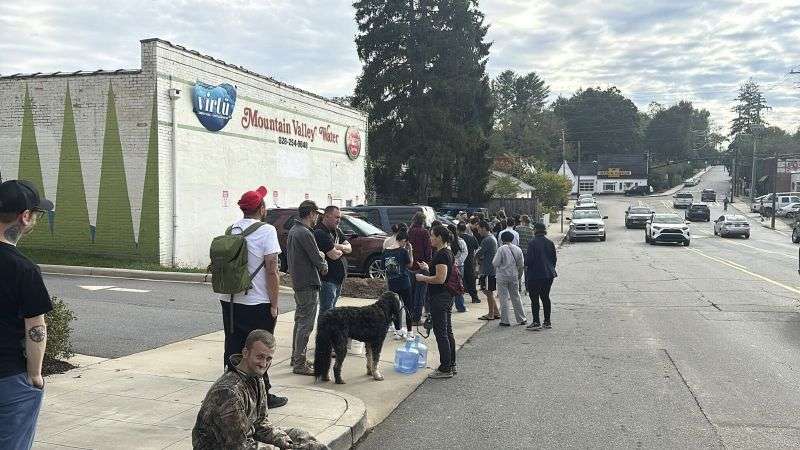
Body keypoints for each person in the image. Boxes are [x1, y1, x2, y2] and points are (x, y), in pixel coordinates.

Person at [192, 330, 328, 450]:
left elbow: (261, 423)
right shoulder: (228, 392)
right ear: (245, 353)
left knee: (302, 437)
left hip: (246, 439)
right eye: (259, 357)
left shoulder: (257, 377)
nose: (264, 364)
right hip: (224, 446)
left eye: (268, 358)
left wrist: (283, 441)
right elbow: (239, 445)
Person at [219, 186, 287, 408]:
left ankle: (229, 394)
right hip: (257, 302)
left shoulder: (232, 229)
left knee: (234, 347)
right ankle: (262, 396)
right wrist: (275, 304)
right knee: (261, 351)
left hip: (230, 299)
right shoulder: (267, 231)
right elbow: (271, 270)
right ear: (262, 208)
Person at [0, 180, 54, 450]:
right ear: (24, 217)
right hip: (8, 380)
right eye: (36, 213)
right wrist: (35, 375)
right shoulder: (24, 269)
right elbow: (36, 328)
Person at [287, 200, 328, 375]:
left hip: (299, 282)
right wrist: (323, 259)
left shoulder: (294, 231)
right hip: (307, 283)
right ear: (311, 213)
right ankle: (299, 363)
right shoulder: (304, 232)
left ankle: (296, 357)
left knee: (300, 321)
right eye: (316, 214)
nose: (317, 217)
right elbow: (317, 259)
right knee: (306, 324)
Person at [415, 225, 456, 379]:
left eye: (432, 235)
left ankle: (445, 368)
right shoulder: (444, 253)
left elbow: (440, 279)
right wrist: (427, 268)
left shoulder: (442, 254)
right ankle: (451, 364)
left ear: (439, 237)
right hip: (445, 296)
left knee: (442, 333)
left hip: (440, 297)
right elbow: (438, 273)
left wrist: (423, 278)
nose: (430, 238)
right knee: (447, 331)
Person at [314, 206, 351, 322]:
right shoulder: (320, 232)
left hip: (338, 279)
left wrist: (337, 246)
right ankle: (323, 337)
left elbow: (349, 248)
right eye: (336, 217)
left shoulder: (336, 231)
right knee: (326, 311)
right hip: (327, 280)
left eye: (339, 217)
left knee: (332, 312)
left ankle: (329, 336)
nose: (339, 220)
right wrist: (340, 249)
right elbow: (333, 255)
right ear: (327, 216)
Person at [382, 228, 414, 339]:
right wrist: (410, 251)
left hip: (392, 283)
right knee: (408, 307)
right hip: (404, 282)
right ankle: (410, 332)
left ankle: (397, 331)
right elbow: (410, 264)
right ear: (404, 240)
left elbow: (383, 267)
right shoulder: (403, 251)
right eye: (406, 242)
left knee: (394, 308)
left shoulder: (385, 251)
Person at [525, 222, 558, 331]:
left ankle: (536, 321)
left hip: (535, 274)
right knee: (545, 297)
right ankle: (547, 321)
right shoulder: (550, 242)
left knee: (534, 299)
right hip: (548, 274)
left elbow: (529, 260)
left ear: (535, 230)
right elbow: (554, 259)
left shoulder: (532, 243)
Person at [492, 231, 527, 327]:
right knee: (516, 297)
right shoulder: (518, 249)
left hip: (502, 276)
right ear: (512, 239)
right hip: (514, 276)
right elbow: (521, 265)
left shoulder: (501, 249)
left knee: (503, 298)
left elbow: (495, 263)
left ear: (502, 239)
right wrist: (519, 276)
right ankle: (521, 318)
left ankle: (505, 320)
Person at [408, 212, 432, 326]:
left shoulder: (409, 231)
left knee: (412, 293)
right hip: (422, 265)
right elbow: (428, 250)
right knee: (421, 294)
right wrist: (429, 263)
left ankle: (411, 315)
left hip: (411, 265)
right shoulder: (424, 232)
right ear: (423, 221)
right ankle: (416, 318)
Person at [475, 220, 500, 321]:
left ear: (484, 228)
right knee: (487, 291)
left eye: (479, 229)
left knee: (488, 292)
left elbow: (478, 253)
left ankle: (491, 314)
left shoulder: (487, 240)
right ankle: (496, 312)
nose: (478, 231)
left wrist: (478, 258)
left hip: (487, 270)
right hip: (490, 269)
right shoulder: (492, 238)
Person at [458, 222, 480, 304]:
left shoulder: (458, 239)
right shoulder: (472, 238)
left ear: (458, 230)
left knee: (460, 280)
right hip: (470, 261)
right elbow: (477, 248)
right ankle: (474, 297)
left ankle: (459, 300)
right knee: (471, 279)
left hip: (460, 262)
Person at [448, 224, 468, 312]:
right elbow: (465, 252)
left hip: (450, 266)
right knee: (459, 286)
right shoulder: (461, 241)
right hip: (459, 266)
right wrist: (459, 261)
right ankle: (460, 306)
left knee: (450, 286)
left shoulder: (447, 242)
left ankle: (449, 305)